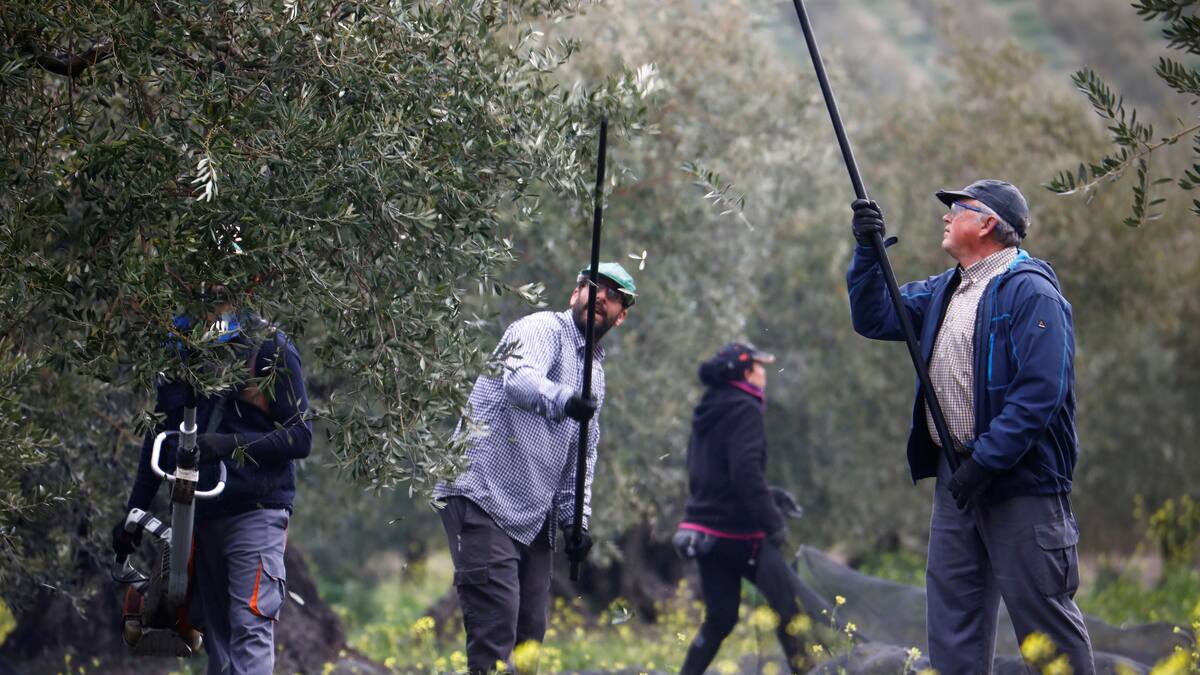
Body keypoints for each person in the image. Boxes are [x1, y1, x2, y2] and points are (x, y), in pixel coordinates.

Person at [846, 179, 1095, 673]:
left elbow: (1040, 392)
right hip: (958, 481)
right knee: (954, 625)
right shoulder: (946, 288)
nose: (945, 215)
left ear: (986, 223)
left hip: (1020, 483)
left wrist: (987, 461)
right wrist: (867, 253)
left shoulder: (1032, 293)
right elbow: (874, 316)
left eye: (956, 207)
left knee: (1047, 629)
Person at [432, 262, 637, 673]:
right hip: (483, 498)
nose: (601, 296)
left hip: (532, 519)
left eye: (613, 295)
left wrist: (575, 521)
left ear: (622, 314)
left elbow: (582, 456)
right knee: (495, 638)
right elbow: (520, 381)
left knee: (529, 645)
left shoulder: (594, 373)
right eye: (592, 286)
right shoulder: (541, 329)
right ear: (574, 294)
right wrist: (564, 400)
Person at [113, 286, 312, 675]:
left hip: (254, 513)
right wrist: (133, 512)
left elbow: (300, 438)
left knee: (251, 631)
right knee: (219, 647)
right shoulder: (180, 348)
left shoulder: (268, 347)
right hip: (199, 518)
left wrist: (228, 445)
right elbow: (159, 435)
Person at [675, 342, 805, 675]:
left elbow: (712, 473)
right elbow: (745, 472)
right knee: (790, 610)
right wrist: (773, 522)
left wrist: (771, 494)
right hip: (741, 535)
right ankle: (806, 671)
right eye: (760, 367)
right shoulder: (745, 407)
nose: (765, 373)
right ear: (746, 372)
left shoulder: (709, 407)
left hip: (704, 533)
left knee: (720, 618)